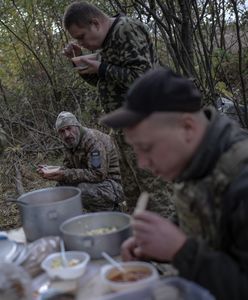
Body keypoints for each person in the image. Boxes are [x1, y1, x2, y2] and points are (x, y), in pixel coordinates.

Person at [100, 67, 248, 300]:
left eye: (146, 148)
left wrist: (180, 250)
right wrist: (154, 245)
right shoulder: (197, 161)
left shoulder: (241, 178)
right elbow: (203, 225)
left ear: (187, 128)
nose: (142, 163)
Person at [62, 1, 160, 211]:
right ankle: (141, 239)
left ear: (95, 23)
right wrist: (79, 63)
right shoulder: (107, 43)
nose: (82, 42)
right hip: (124, 130)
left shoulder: (126, 29)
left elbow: (142, 77)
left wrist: (101, 66)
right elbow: (103, 81)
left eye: (81, 36)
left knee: (156, 195)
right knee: (133, 194)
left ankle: (173, 241)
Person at [37, 111, 124, 212]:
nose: (67, 134)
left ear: (77, 126)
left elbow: (98, 174)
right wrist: (52, 170)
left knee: (81, 190)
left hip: (115, 185)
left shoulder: (92, 141)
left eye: (69, 128)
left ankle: (112, 211)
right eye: (62, 131)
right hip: (99, 182)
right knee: (61, 188)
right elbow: (69, 168)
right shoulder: (70, 142)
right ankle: (70, 218)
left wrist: (64, 174)